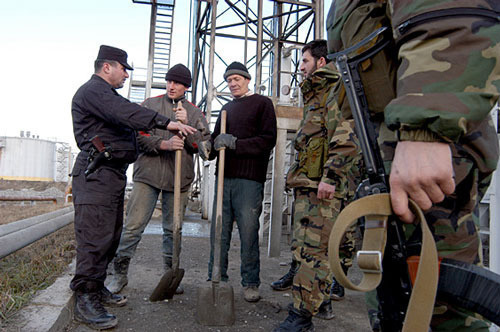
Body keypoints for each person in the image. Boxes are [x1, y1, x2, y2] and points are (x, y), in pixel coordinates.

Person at [327, 1, 500, 331]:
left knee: (439, 310)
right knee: (403, 306)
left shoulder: (425, 130)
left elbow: (450, 12)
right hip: (396, 147)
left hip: (424, 144)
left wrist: (427, 127)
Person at [70, 45, 196, 330]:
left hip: (111, 174)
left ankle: (97, 287)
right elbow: (127, 114)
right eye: (124, 68)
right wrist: (167, 124)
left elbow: (131, 130)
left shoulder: (108, 95)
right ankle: (85, 298)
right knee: (94, 238)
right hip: (96, 174)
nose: (126, 74)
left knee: (110, 236)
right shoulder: (95, 92)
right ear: (107, 67)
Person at [273, 40, 362, 331]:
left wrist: (330, 177)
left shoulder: (334, 90)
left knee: (313, 250)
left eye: (305, 61)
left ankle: (302, 318)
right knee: (306, 248)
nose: (300, 67)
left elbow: (346, 136)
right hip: (310, 184)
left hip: (323, 186)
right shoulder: (316, 93)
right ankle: (315, 302)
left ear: (321, 62)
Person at [107, 64, 211, 295]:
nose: (171, 86)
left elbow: (204, 149)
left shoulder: (194, 113)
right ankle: (120, 275)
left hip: (179, 179)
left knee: (173, 230)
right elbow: (136, 136)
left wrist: (189, 126)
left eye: (177, 83)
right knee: (133, 226)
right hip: (148, 176)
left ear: (186, 87)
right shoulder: (151, 105)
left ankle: (169, 275)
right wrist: (163, 144)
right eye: (169, 81)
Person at [207, 61, 277, 303]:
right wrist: (206, 145)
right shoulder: (226, 109)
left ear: (248, 80)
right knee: (219, 231)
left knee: (248, 232)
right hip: (223, 179)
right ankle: (216, 277)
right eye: (228, 80)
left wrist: (235, 143)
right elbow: (216, 142)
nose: (232, 83)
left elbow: (268, 140)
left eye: (237, 79)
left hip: (249, 181)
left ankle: (250, 282)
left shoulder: (262, 104)